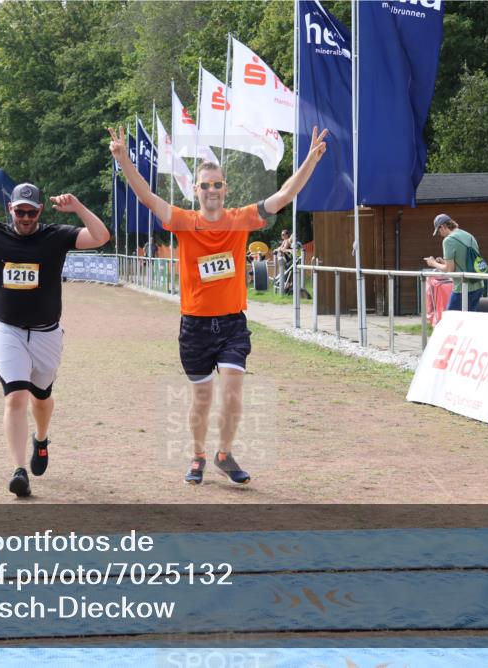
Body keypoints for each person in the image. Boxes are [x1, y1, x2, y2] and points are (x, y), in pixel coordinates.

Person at [109, 125, 329, 486]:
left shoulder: (241, 219)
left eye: (217, 184)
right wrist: (123, 160)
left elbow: (284, 195)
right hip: (194, 326)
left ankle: (224, 453)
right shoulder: (183, 221)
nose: (212, 190)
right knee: (202, 399)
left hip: (231, 324)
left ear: (225, 189)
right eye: (205, 185)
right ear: (196, 191)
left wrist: (310, 160)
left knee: (232, 391)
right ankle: (197, 456)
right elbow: (148, 197)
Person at [0, 183, 110, 497]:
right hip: (8, 330)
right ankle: (19, 471)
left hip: (47, 334)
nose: (26, 217)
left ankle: (41, 439)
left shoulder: (55, 236)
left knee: (41, 398)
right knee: (15, 396)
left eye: (31, 212)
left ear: (40, 211)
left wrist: (79, 207)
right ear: (11, 209)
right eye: (20, 211)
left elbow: (100, 237)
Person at [424, 213, 486, 312]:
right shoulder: (468, 235)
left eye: (439, 230)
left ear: (443, 226)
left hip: (463, 288)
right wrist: (444, 262)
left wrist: (433, 263)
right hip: (479, 285)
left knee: (451, 319)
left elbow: (449, 269)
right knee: (468, 320)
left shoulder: (448, 240)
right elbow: (464, 261)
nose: (440, 234)